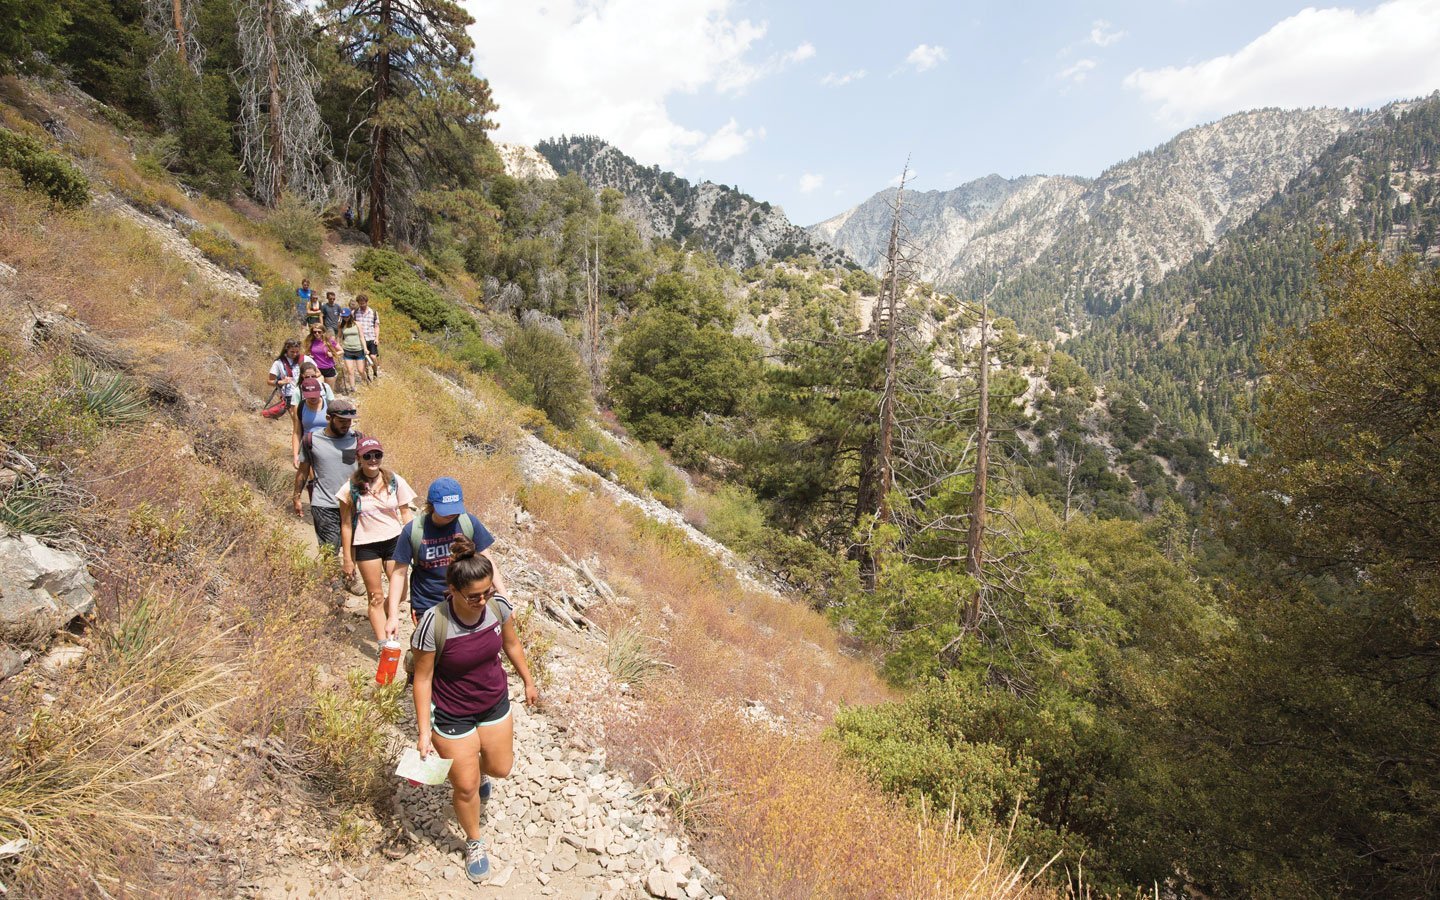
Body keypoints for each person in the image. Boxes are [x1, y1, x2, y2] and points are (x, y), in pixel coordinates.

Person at [410, 541, 538, 882]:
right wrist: (424, 733)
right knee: (465, 787)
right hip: (452, 713)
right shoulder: (433, 624)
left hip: (493, 701)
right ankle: (474, 841)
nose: (482, 600)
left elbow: (511, 644)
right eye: (474, 596)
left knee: (500, 768)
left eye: (487, 591)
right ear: (452, 591)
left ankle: (478, 770)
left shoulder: (498, 608)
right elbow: (422, 680)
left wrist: (527, 680)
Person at [387, 478, 507, 631]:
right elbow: (399, 573)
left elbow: (488, 562)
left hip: (467, 602)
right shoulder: (413, 531)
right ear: (431, 506)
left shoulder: (468, 523)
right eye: (446, 509)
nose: (451, 514)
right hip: (428, 606)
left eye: (455, 508)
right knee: (433, 651)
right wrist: (393, 615)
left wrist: (504, 597)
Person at [338, 437, 416, 644]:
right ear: (359, 458)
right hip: (366, 544)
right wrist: (347, 558)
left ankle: (387, 617)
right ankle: (384, 643)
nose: (373, 459)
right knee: (376, 596)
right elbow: (345, 524)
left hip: (394, 540)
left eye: (377, 455)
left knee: (401, 592)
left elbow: (406, 513)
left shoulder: (395, 481)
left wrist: (414, 542)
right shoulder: (350, 488)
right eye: (368, 456)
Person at [291, 396, 359, 555]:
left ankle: (349, 579)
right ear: (329, 418)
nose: (346, 424)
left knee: (354, 551)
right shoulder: (311, 440)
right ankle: (332, 580)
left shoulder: (357, 438)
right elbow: (303, 471)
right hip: (325, 505)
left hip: (353, 505)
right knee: (330, 552)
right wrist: (296, 497)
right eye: (342, 420)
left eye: (349, 421)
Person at [291, 377, 330, 469]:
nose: (312, 398)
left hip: (328, 446)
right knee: (313, 476)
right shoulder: (300, 407)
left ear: (320, 391)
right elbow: (297, 432)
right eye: (309, 395)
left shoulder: (330, 405)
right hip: (309, 447)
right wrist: (296, 455)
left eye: (315, 394)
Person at [266, 338, 308, 408]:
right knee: (296, 418)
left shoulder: (305, 359)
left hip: (305, 393)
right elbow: (269, 381)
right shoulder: (279, 363)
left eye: (297, 352)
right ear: (286, 350)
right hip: (290, 395)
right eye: (292, 352)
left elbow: (318, 373)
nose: (295, 354)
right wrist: (280, 382)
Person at [337, 308, 370, 392]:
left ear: (350, 315)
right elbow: (339, 337)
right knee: (350, 370)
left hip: (358, 350)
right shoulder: (341, 325)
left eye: (347, 316)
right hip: (347, 350)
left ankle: (366, 382)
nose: (345, 318)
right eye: (343, 317)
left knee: (361, 370)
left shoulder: (357, 324)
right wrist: (338, 348)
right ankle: (353, 388)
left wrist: (365, 348)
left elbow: (362, 337)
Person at [353, 293, 381, 379]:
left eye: (363, 303)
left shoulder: (373, 312)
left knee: (373, 357)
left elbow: (376, 326)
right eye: (360, 303)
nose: (362, 305)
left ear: (366, 302)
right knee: (364, 360)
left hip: (371, 338)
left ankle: (375, 372)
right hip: (360, 340)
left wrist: (376, 338)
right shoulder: (354, 313)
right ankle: (367, 376)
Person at [305, 323, 341, 391]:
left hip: (329, 368)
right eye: (315, 332)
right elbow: (307, 352)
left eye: (319, 332)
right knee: (318, 390)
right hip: (317, 369)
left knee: (329, 391)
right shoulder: (311, 342)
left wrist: (333, 354)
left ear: (323, 332)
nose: (317, 333)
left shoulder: (329, 341)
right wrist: (309, 356)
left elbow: (341, 351)